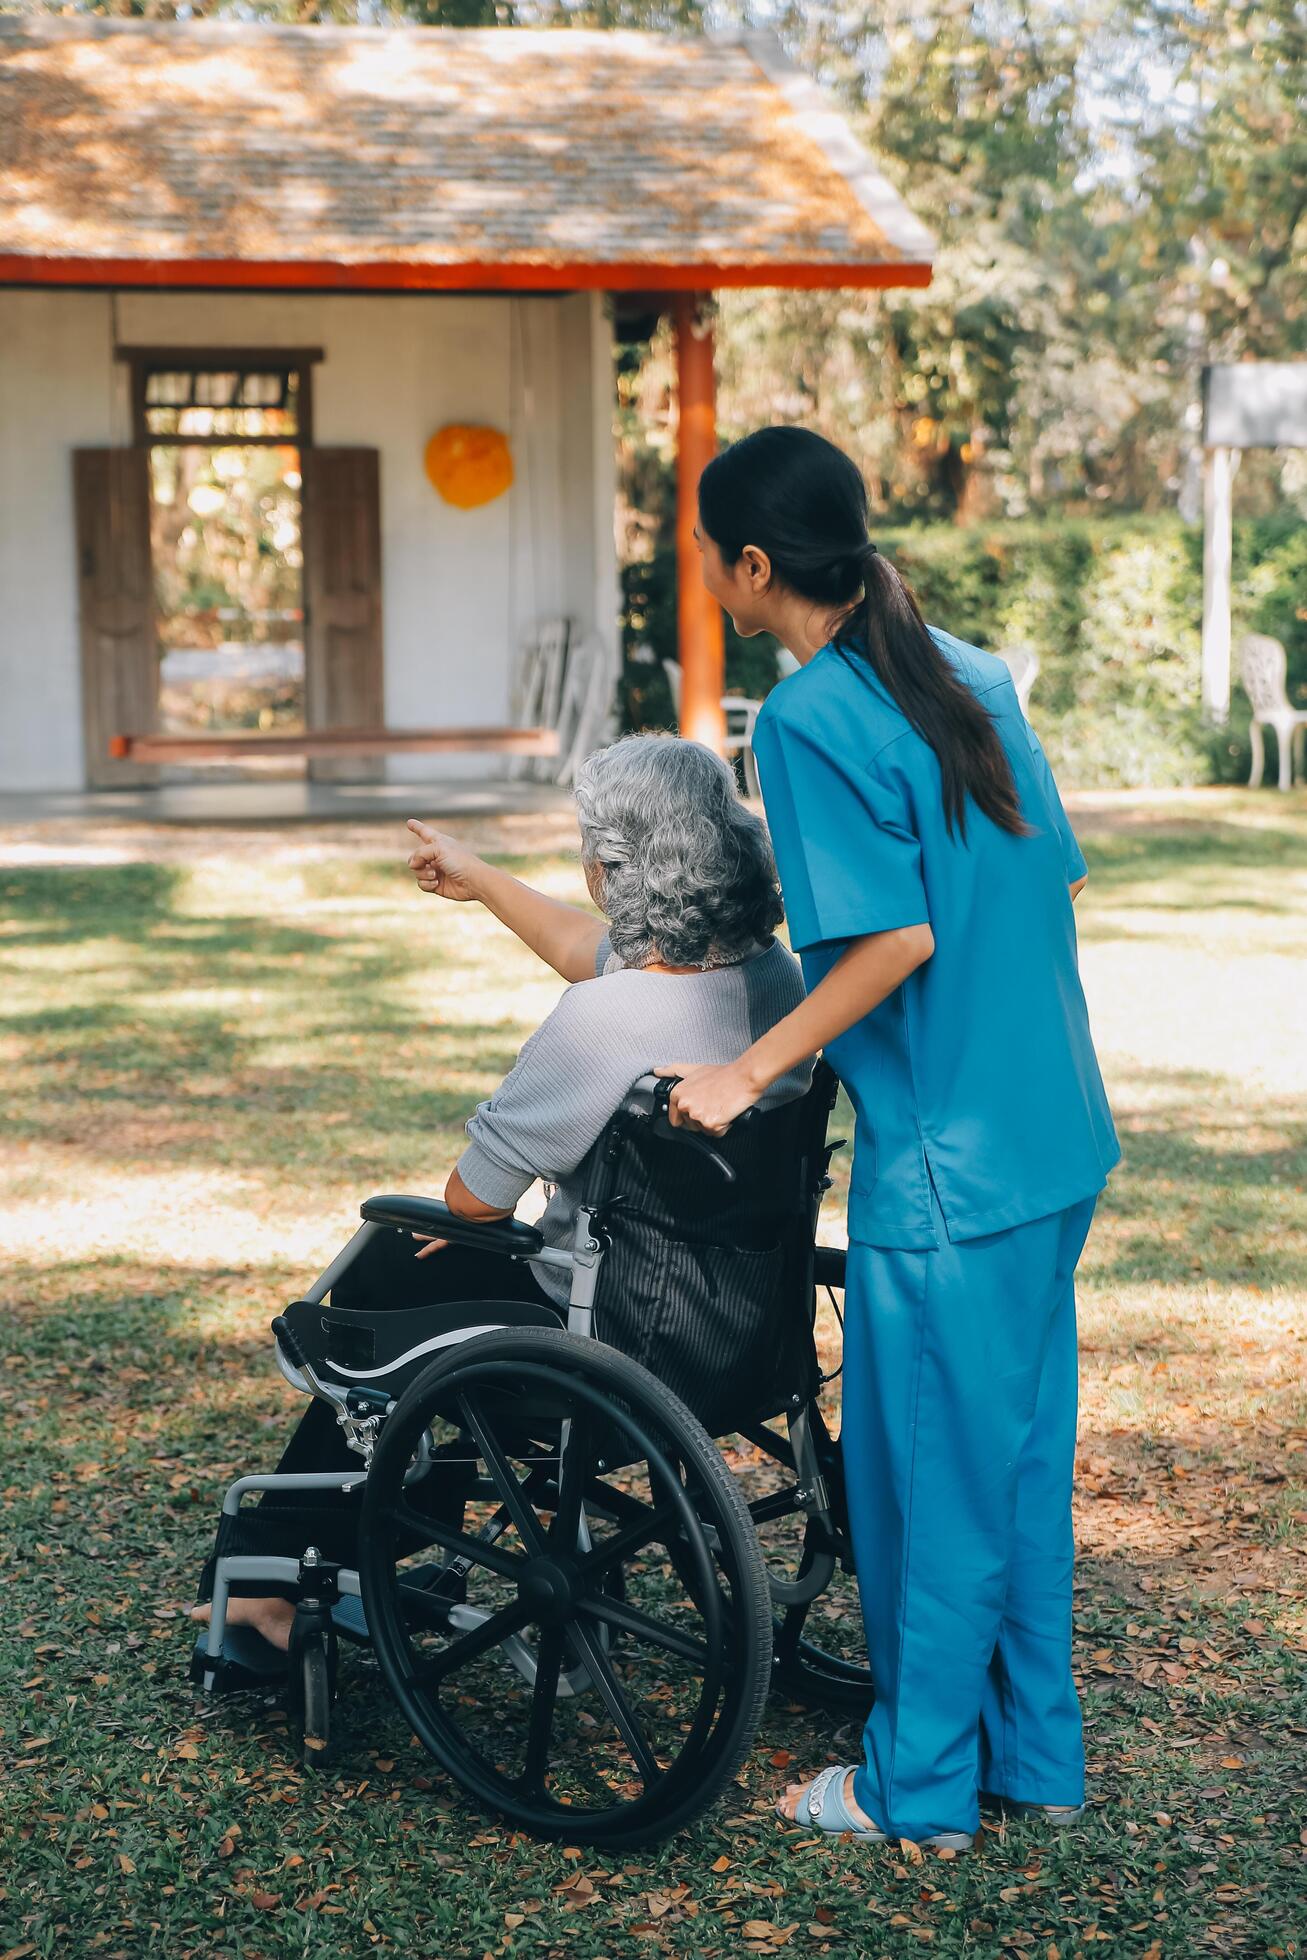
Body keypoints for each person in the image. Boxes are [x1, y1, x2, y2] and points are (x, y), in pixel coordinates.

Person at [656, 425, 1120, 1853]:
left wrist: (742, 1072)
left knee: (923, 1486)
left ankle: (916, 1789)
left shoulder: (800, 721)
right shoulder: (971, 675)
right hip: (1053, 1137)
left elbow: (893, 942)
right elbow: (1038, 886)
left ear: (751, 564)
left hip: (948, 1170)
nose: (709, 581)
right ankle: (1033, 1759)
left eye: (709, 558)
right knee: (1017, 1464)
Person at [191, 733, 813, 1655]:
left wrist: (463, 1225)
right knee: (436, 1270)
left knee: (392, 1263)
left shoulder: (602, 1021)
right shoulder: (777, 983)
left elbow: (476, 1199)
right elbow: (595, 952)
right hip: (734, 1324)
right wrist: (478, 878)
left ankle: (272, 1580)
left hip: (603, 1335)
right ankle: (391, 1526)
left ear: (613, 866)